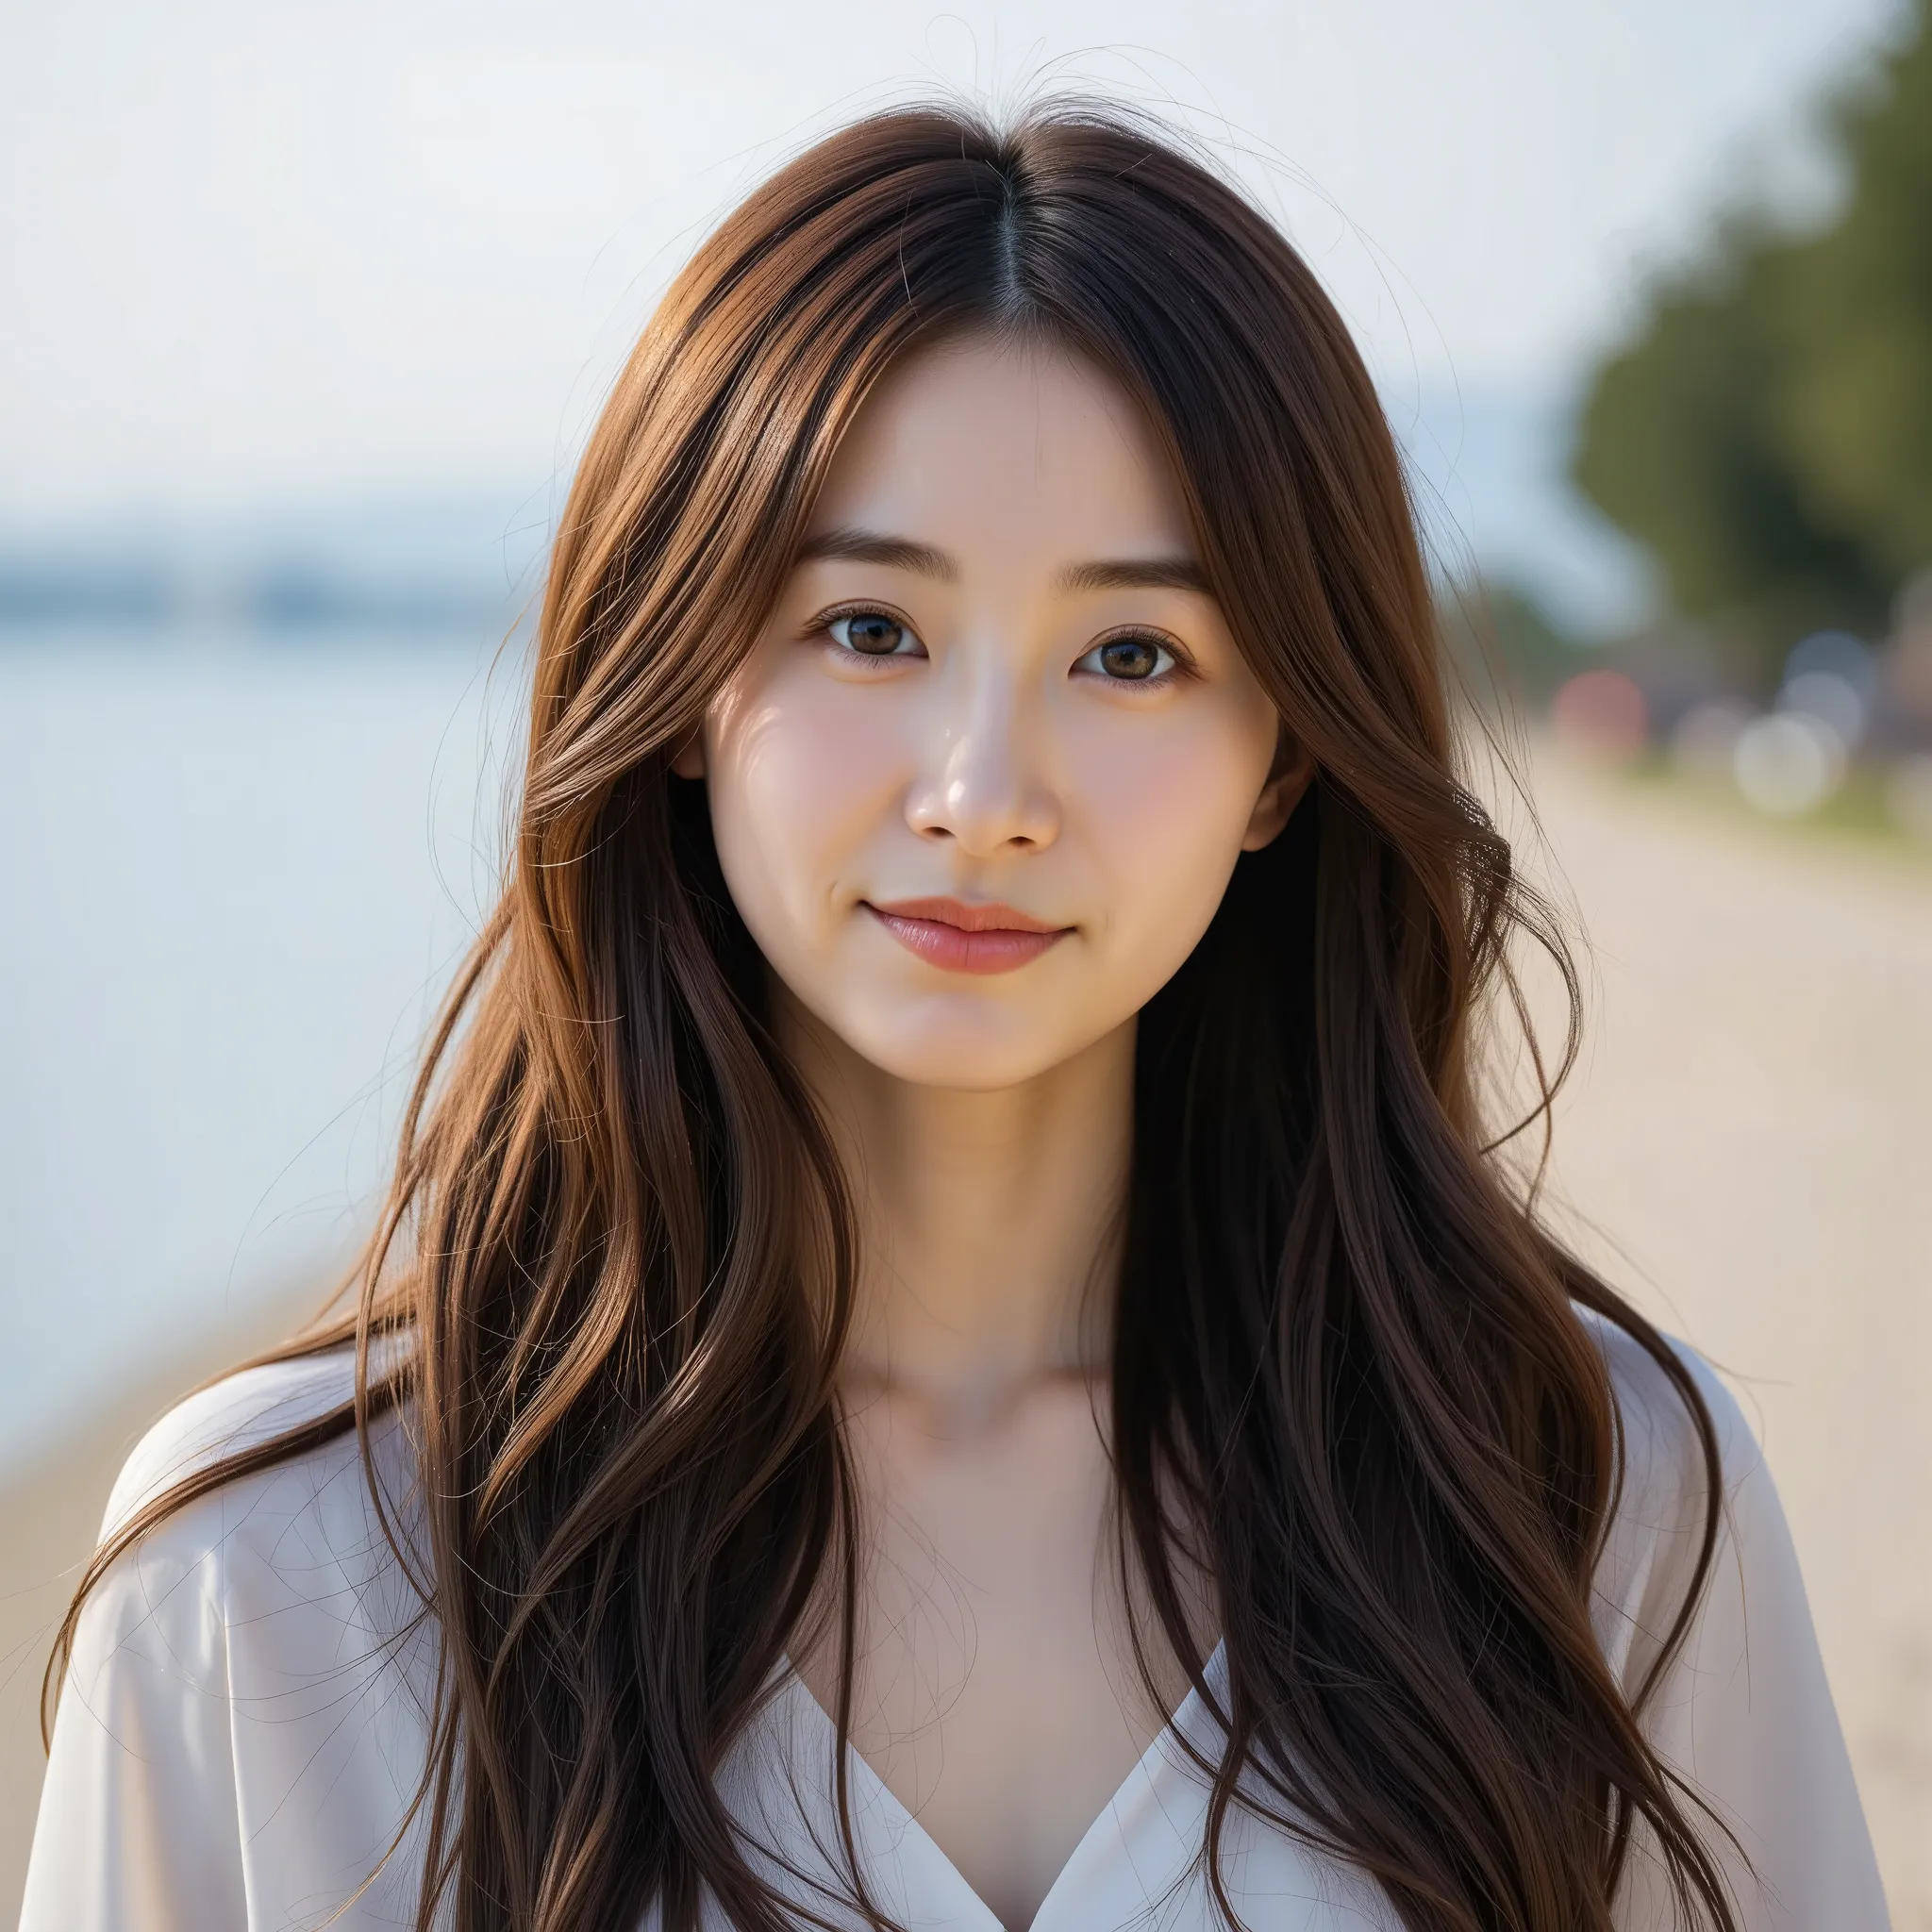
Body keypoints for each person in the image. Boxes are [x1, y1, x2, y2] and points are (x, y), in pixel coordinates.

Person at [23, 102, 1890, 1932]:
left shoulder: (1592, 1498)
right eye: (868, 629)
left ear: (1282, 760)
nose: (984, 788)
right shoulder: (263, 1586)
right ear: (680, 681)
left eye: (1134, 655)